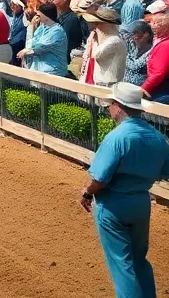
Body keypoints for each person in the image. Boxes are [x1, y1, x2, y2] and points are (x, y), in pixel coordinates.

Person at [80, 82, 169, 298]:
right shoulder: (158, 138)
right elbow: (164, 172)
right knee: (139, 260)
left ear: (119, 106)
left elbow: (99, 179)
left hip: (113, 206)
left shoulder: (116, 138)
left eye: (111, 103)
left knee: (122, 266)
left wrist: (86, 193)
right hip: (141, 203)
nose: (109, 107)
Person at [80, 4, 126, 88]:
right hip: (95, 83)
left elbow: (98, 55)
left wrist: (98, 37)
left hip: (108, 86)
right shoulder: (94, 38)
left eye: (98, 24)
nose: (96, 27)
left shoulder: (115, 41)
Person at [18, 2, 69, 77]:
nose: (37, 16)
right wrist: (33, 26)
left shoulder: (57, 31)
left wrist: (26, 51)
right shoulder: (42, 28)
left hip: (53, 72)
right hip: (39, 69)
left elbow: (41, 47)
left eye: (39, 15)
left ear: (46, 16)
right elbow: (31, 42)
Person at [139, 1, 169, 103]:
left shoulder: (165, 44)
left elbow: (158, 72)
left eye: (152, 22)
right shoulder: (162, 40)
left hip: (162, 92)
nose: (151, 26)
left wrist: (143, 89)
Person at [125, 21, 155, 86]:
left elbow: (134, 66)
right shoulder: (132, 44)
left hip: (140, 89)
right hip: (125, 86)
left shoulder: (153, 50)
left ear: (146, 35)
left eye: (137, 36)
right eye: (132, 35)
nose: (133, 38)